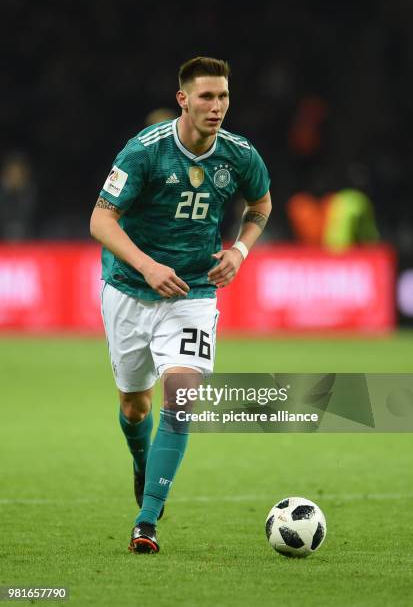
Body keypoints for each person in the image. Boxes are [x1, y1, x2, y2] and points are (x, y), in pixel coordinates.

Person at [90, 56, 272, 554]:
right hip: (130, 288)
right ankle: (141, 461)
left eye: (224, 97)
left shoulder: (239, 155)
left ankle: (146, 520)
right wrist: (147, 265)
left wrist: (239, 249)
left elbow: (261, 205)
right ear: (184, 100)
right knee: (134, 403)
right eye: (207, 97)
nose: (217, 107)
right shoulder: (144, 152)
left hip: (193, 292)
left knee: (182, 397)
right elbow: (102, 221)